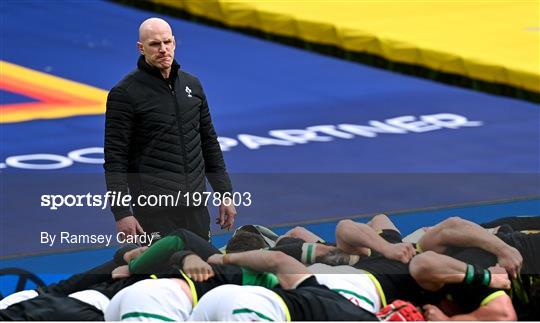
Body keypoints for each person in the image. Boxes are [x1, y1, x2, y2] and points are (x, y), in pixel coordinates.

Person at [104, 17, 236, 241]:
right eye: (155, 44)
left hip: (195, 207)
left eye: (167, 42)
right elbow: (115, 159)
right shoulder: (125, 93)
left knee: (205, 272)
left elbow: (208, 142)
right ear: (141, 48)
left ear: (174, 42)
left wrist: (225, 194)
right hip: (154, 212)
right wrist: (122, 213)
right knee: (164, 275)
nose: (163, 50)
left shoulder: (192, 85)